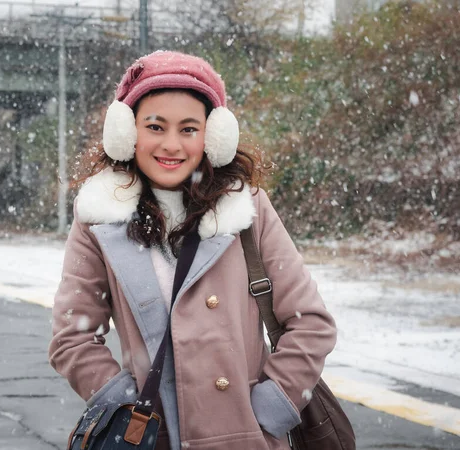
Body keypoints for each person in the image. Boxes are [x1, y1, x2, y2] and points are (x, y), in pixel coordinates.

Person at [48, 50, 337, 450]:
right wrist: (124, 407)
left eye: (188, 129)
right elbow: (73, 338)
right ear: (127, 133)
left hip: (247, 436)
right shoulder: (98, 220)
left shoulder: (249, 210)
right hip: (152, 437)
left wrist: (271, 407)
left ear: (213, 136)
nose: (171, 144)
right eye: (155, 126)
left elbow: (311, 323)